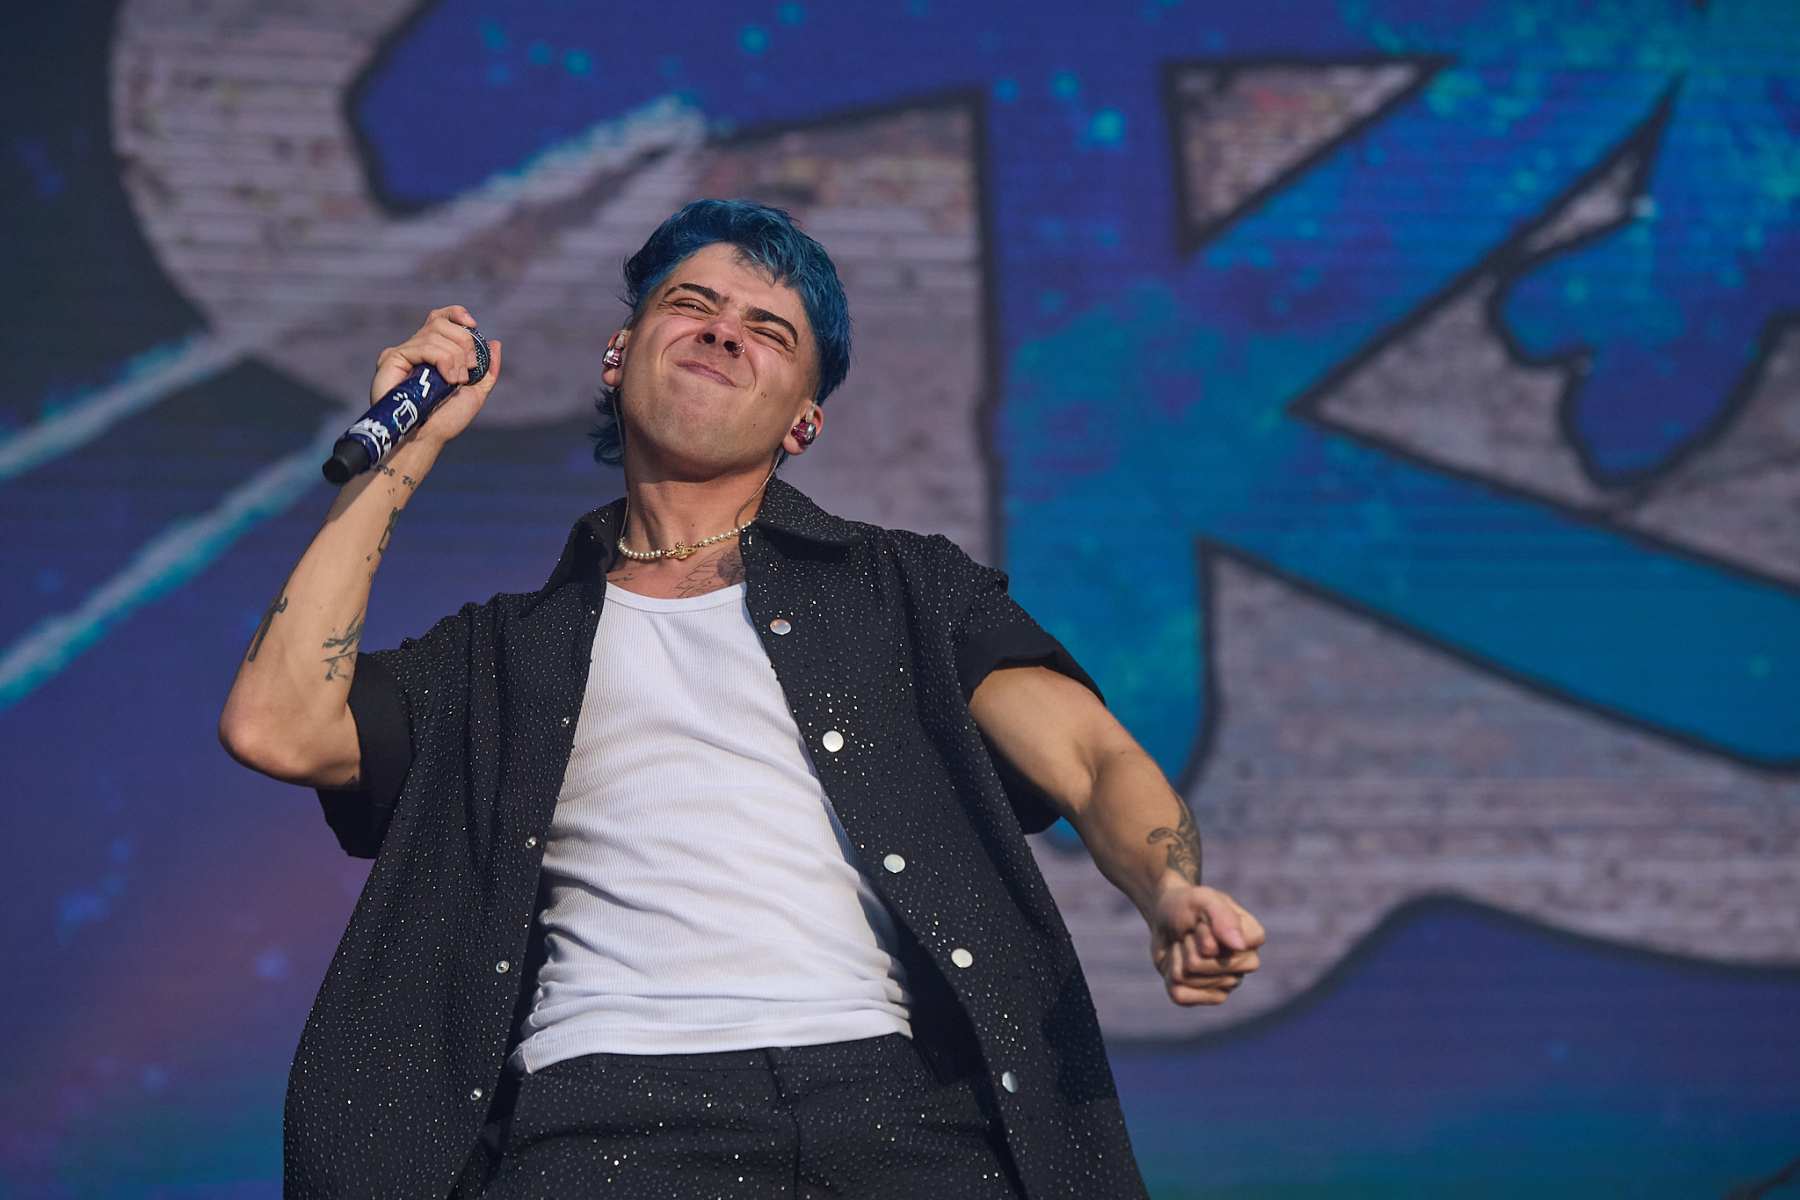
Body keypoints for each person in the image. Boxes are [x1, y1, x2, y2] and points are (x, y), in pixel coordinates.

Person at [219, 199, 1265, 1199]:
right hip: (602, 1116)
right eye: (691, 304)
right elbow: (277, 726)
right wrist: (400, 457)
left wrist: (1170, 891)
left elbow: (1091, 757)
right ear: (619, 354)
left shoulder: (903, 589)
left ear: (804, 420)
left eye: (769, 330)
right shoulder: (498, 655)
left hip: (896, 1109)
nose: (724, 332)